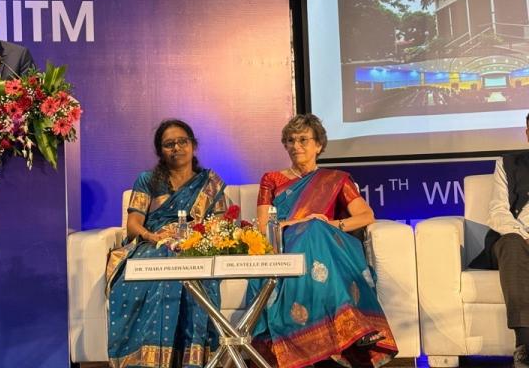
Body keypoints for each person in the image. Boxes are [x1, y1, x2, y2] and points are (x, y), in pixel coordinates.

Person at [247, 114, 398, 368]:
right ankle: (353, 326)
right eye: (291, 140)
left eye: (303, 140)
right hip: (285, 244)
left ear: (318, 145)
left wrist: (329, 224)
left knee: (317, 230)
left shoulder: (336, 180)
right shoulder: (271, 180)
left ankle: (341, 331)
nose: (296, 146)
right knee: (313, 228)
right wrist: (305, 222)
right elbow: (264, 227)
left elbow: (366, 216)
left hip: (325, 245)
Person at [106, 119, 228, 368]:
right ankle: (147, 361)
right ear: (160, 151)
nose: (176, 148)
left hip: (195, 247)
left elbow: (220, 228)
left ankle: (193, 361)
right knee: (160, 264)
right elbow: (134, 224)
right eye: (169, 144)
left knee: (195, 270)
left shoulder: (210, 184)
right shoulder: (148, 180)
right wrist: (153, 237)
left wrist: (195, 241)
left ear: (193, 145)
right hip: (154, 244)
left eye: (182, 141)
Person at [471, 112, 529, 368]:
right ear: (527, 134)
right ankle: (525, 346)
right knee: (512, 243)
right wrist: (524, 235)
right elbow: (497, 211)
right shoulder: (508, 163)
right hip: (514, 239)